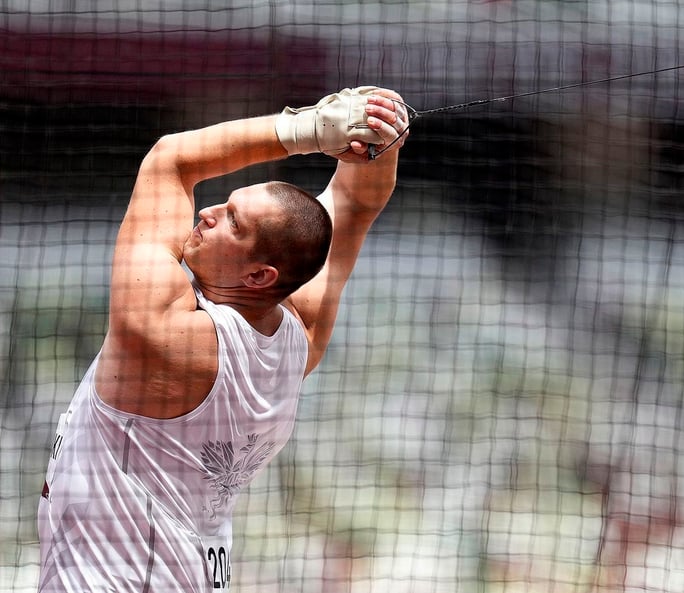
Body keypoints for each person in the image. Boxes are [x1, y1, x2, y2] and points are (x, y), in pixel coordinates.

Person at [37, 86, 410, 592]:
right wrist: (379, 138)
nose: (209, 211)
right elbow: (354, 201)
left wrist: (311, 128)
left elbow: (169, 161)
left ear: (259, 276)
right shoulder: (302, 336)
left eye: (232, 221)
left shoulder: (162, 331)